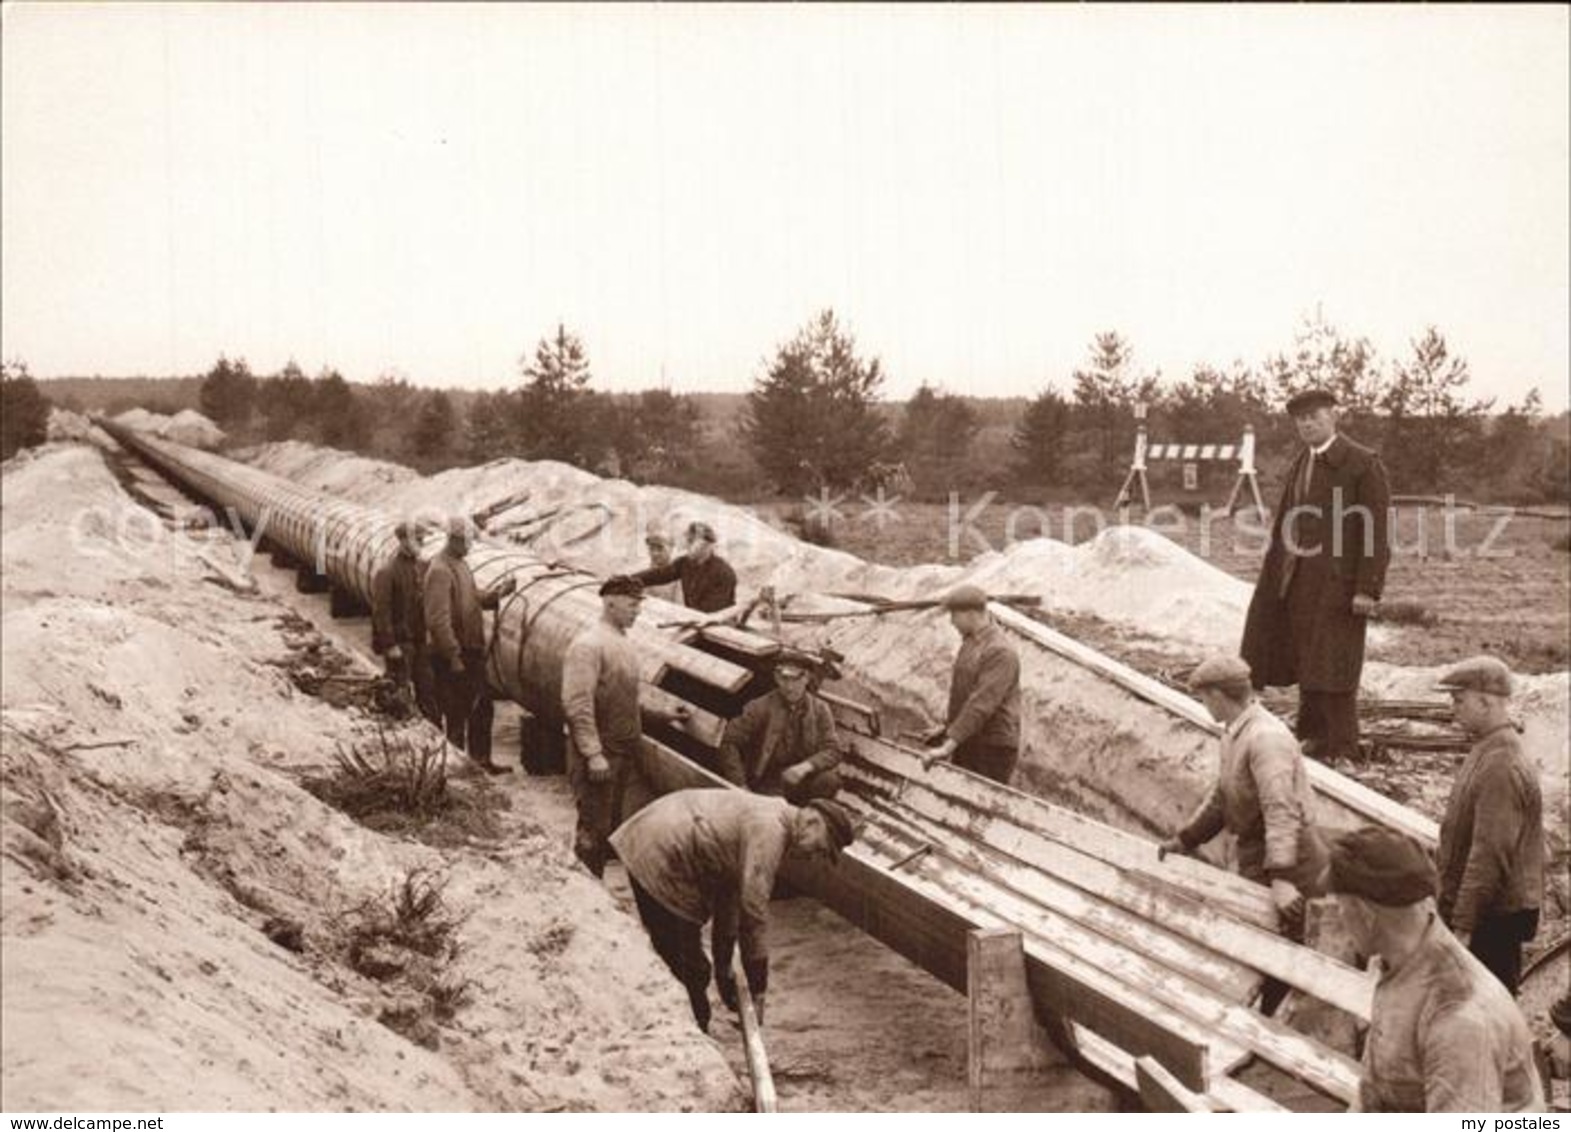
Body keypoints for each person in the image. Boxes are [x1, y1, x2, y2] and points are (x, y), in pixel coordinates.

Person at [1326, 826, 1544, 1113]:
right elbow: (1372, 1094)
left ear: (1365, 915)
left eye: (1341, 906)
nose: (1339, 917)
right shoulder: (1400, 963)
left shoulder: (1459, 1016)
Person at [608, 787, 855, 1032]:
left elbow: (730, 898)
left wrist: (723, 967)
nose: (813, 857)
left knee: (686, 959)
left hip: (659, 840)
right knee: (689, 967)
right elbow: (753, 915)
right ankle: (693, 1037)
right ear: (812, 822)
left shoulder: (773, 814)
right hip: (661, 852)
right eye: (820, 848)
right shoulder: (770, 831)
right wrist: (759, 990)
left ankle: (689, 1027)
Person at [1240, 389, 1391, 763]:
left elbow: (1376, 532)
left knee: (1337, 660)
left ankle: (1343, 744)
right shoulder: (1301, 464)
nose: (1308, 424)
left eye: (1315, 417)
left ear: (1333, 417)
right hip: (1298, 579)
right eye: (1301, 419)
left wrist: (1368, 588)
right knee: (1309, 657)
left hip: (1340, 583)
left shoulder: (1362, 464)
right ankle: (1312, 737)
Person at [1158, 656, 1328, 935]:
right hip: (1259, 853)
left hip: (1294, 862)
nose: (1205, 705)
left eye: (1204, 698)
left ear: (1216, 694)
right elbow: (1224, 797)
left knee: (1289, 944)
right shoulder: (1235, 733)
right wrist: (1185, 840)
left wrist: (1282, 879)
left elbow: (1281, 809)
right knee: (1256, 935)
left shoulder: (1266, 738)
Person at [1433, 656, 1543, 994]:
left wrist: (1464, 926)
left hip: (1493, 917)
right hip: (1484, 911)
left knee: (1486, 1006)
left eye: (1459, 700)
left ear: (1486, 701)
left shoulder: (1501, 764)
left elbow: (1489, 854)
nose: (1455, 709)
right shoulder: (1487, 750)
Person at [561, 575, 651, 877]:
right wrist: (593, 753)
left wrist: (663, 717)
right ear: (609, 601)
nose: (637, 610)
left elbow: (622, 698)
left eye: (639, 604)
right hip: (600, 756)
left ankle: (599, 898)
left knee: (608, 827)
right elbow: (577, 704)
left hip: (621, 751)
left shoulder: (621, 642)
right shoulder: (588, 645)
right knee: (592, 830)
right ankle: (587, 899)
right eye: (632, 603)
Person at [423, 515, 516, 773]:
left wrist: (497, 595)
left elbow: (473, 598)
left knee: (481, 706)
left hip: (470, 653)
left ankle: (479, 761)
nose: (471, 546)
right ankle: (456, 768)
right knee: (456, 712)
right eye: (467, 541)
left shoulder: (460, 565)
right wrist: (453, 656)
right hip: (453, 654)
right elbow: (437, 620)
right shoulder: (440, 570)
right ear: (453, 539)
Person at [920, 585, 1021, 785]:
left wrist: (947, 747)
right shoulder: (971, 643)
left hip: (992, 749)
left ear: (971, 614)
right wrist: (946, 730)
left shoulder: (1000, 652)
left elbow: (981, 703)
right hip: (970, 740)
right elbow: (966, 695)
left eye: (954, 615)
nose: (951, 622)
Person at [717, 653, 843, 803]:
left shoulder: (820, 709)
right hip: (768, 782)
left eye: (795, 679)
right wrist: (740, 785)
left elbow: (833, 750)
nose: (789, 687)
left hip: (802, 778)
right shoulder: (759, 707)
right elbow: (729, 742)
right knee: (775, 813)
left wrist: (805, 766)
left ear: (807, 678)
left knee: (829, 781)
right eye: (783, 679)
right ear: (776, 678)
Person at [369, 520, 439, 724]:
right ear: (403, 541)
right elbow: (381, 613)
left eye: (422, 539)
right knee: (400, 692)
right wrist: (389, 645)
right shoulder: (387, 572)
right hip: (401, 645)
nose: (422, 543)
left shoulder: (423, 567)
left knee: (428, 690)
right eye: (418, 539)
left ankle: (433, 736)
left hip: (420, 642)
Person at [632, 520, 737, 614]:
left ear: (707, 545)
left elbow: (711, 611)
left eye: (692, 542)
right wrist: (629, 579)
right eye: (688, 541)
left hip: (718, 627)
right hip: (694, 621)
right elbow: (659, 575)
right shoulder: (684, 563)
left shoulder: (724, 573)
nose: (687, 546)